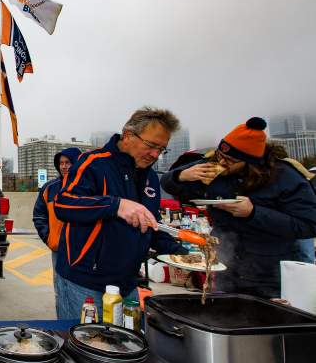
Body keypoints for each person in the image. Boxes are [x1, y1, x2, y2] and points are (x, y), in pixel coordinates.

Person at [53, 107, 186, 320]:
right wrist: (116, 205)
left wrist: (180, 253)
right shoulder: (94, 163)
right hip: (86, 282)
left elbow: (152, 223)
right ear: (128, 135)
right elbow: (64, 204)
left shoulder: (150, 177)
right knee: (83, 346)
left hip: (127, 284)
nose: (155, 154)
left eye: (161, 149)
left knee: (125, 347)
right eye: (151, 145)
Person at [161, 117, 316, 297]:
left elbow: (309, 225)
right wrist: (180, 176)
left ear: (250, 162)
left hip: (270, 275)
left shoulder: (285, 177)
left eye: (230, 160)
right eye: (220, 155)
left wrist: (254, 213)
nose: (222, 163)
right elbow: (168, 183)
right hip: (224, 267)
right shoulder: (211, 165)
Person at [32, 147, 81, 316]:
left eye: (68, 162)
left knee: (81, 292)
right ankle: (63, 327)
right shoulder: (50, 188)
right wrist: (49, 237)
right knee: (60, 290)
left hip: (82, 250)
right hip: (59, 250)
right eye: (61, 163)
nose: (64, 166)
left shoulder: (87, 186)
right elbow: (39, 214)